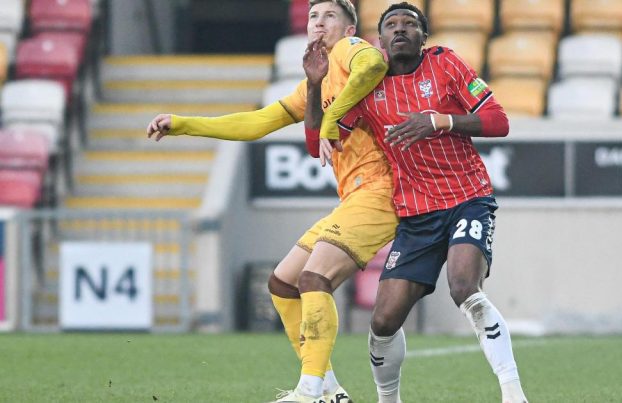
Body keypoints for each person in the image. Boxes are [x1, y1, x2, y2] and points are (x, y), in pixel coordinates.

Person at [146, 1, 398, 402]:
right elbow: (258, 122)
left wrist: (332, 120)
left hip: (383, 191)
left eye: (330, 16)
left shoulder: (352, 52)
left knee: (314, 278)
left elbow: (374, 65)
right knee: (282, 282)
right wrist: (183, 124)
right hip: (356, 196)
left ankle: (308, 390)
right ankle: (330, 391)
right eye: (314, 16)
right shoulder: (316, 80)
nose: (319, 23)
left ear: (349, 28)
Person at [315, 3, 529, 402]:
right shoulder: (366, 83)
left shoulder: (446, 64)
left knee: (465, 287)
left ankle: (513, 392)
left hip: (467, 198)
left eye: (410, 24)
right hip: (415, 213)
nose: (400, 30)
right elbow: (320, 142)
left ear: (423, 37)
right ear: (379, 41)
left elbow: (499, 121)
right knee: (383, 320)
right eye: (391, 25)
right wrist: (314, 88)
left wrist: (439, 120)